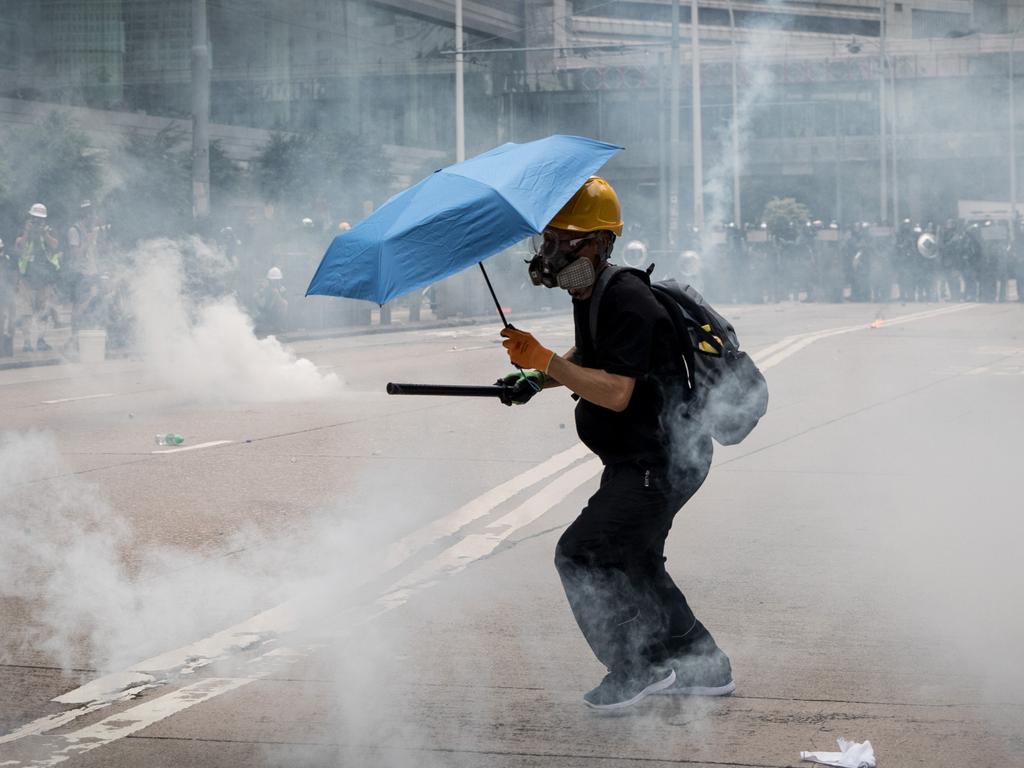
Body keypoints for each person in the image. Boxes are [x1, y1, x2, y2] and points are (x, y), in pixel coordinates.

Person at [498, 176, 734, 711]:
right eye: (550, 240)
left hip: (661, 460)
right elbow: (592, 357)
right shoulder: (593, 291)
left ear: (601, 243)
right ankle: (705, 665)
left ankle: (636, 668)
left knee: (580, 554)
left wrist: (545, 362)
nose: (551, 253)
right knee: (637, 560)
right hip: (654, 455)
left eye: (567, 242)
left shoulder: (624, 295)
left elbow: (617, 392)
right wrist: (538, 379)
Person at [14, 203, 62, 352]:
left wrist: (44, 234)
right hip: (26, 279)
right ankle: (27, 343)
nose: (37, 223)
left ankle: (41, 340)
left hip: (44, 279)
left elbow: (55, 246)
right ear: (29, 218)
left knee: (43, 311)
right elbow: (18, 248)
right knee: (25, 312)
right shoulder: (24, 232)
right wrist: (27, 232)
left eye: (40, 220)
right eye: (34, 219)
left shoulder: (48, 232)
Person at [254, 266, 288, 334]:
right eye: (274, 280)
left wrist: (281, 293)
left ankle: (277, 326)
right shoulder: (265, 287)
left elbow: (282, 303)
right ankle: (268, 324)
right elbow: (260, 300)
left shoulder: (280, 289)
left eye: (277, 280)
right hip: (265, 311)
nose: (276, 282)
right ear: (270, 280)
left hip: (273, 312)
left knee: (284, 302)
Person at [0, 238, 16, 357]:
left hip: (6, 294)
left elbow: (12, 276)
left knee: (8, 321)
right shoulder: (6, 259)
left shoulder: (6, 260)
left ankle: (5, 349)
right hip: (6, 294)